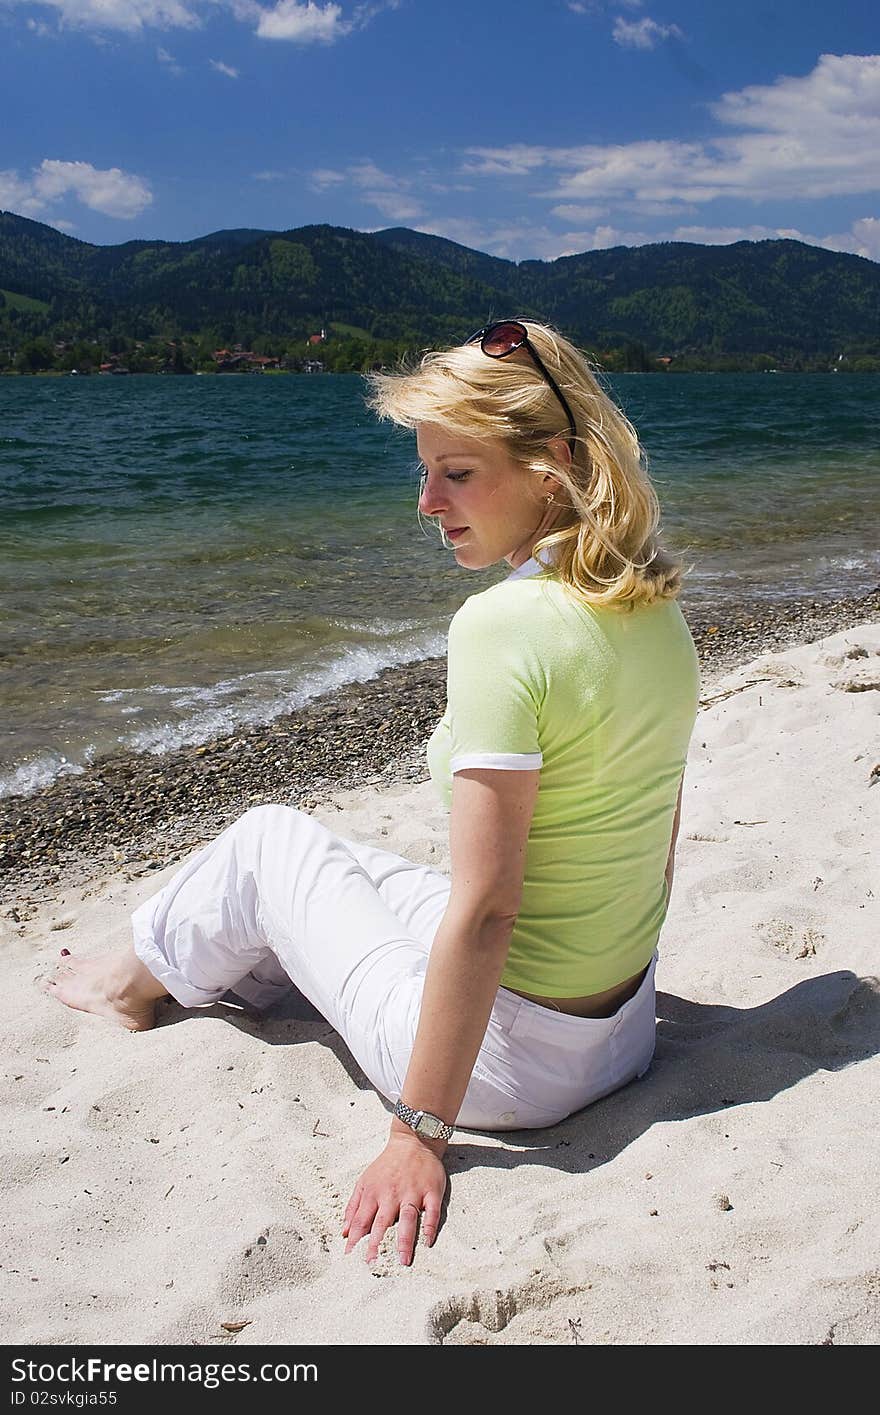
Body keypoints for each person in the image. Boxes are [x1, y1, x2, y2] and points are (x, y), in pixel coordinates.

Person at [45, 319, 699, 1269]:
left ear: (553, 464)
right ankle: (184, 953)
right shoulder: (653, 606)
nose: (428, 501)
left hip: (505, 1074)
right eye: (425, 470)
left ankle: (121, 982)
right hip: (622, 1029)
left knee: (271, 836)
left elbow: (487, 910)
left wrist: (415, 1136)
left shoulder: (504, 627)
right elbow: (659, 827)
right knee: (351, 862)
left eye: (459, 473)